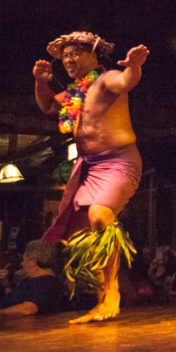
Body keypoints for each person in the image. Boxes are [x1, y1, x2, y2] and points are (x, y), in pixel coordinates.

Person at [33, 31, 147, 323]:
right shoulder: (73, 93)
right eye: (65, 55)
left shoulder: (105, 79)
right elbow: (47, 106)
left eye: (75, 53)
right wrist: (40, 82)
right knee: (81, 236)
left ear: (93, 55)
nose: (69, 59)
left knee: (99, 216)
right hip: (89, 167)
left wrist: (133, 66)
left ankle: (113, 295)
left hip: (119, 161)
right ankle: (102, 300)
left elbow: (126, 81)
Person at [0, 241, 66, 318]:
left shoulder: (45, 283)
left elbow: (28, 308)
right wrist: (5, 282)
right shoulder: (32, 280)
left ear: (33, 261)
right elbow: (15, 300)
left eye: (24, 259)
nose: (22, 264)